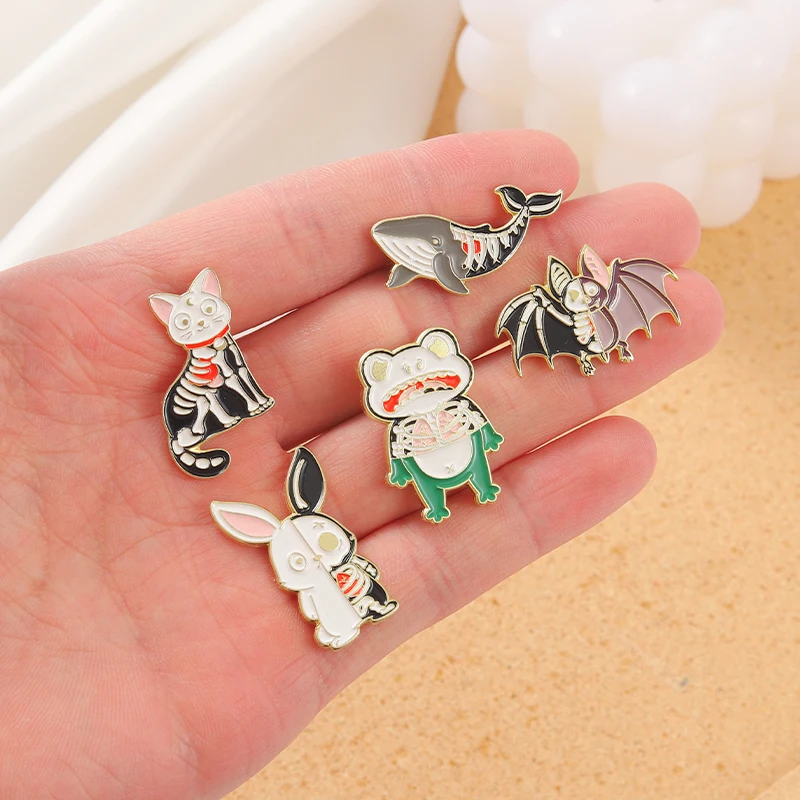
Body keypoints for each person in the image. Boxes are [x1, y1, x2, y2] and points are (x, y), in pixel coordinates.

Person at [0, 129, 722, 799]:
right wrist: (404, 468)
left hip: (450, 435)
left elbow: (471, 424)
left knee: (469, 463)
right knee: (413, 498)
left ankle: (453, 489)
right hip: (331, 459)